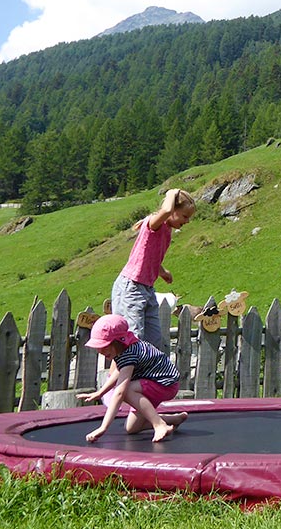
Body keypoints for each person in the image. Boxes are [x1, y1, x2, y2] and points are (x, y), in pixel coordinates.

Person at [78, 314, 187, 443]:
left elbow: (119, 393)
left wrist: (103, 427)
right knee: (131, 428)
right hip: (154, 383)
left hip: (165, 384)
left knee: (127, 390)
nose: (100, 351)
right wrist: (100, 393)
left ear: (117, 341)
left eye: (104, 346)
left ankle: (159, 424)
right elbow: (119, 372)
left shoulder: (129, 354)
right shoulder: (124, 349)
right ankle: (174, 419)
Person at [111, 187, 195, 347]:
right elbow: (166, 210)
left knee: (153, 340)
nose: (187, 221)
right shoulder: (154, 224)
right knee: (132, 338)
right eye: (185, 216)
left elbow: (149, 256)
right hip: (132, 286)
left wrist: (162, 272)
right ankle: (126, 364)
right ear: (173, 210)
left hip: (147, 288)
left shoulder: (166, 230)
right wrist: (172, 193)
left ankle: (147, 363)